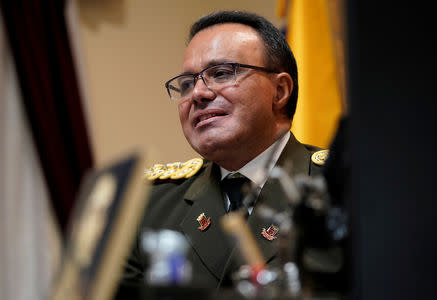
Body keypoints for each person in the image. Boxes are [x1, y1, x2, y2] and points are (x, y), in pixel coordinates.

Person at [118, 10, 327, 292]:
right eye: (187, 84)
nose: (198, 94)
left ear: (279, 91)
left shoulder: (341, 188)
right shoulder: (148, 206)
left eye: (221, 73)